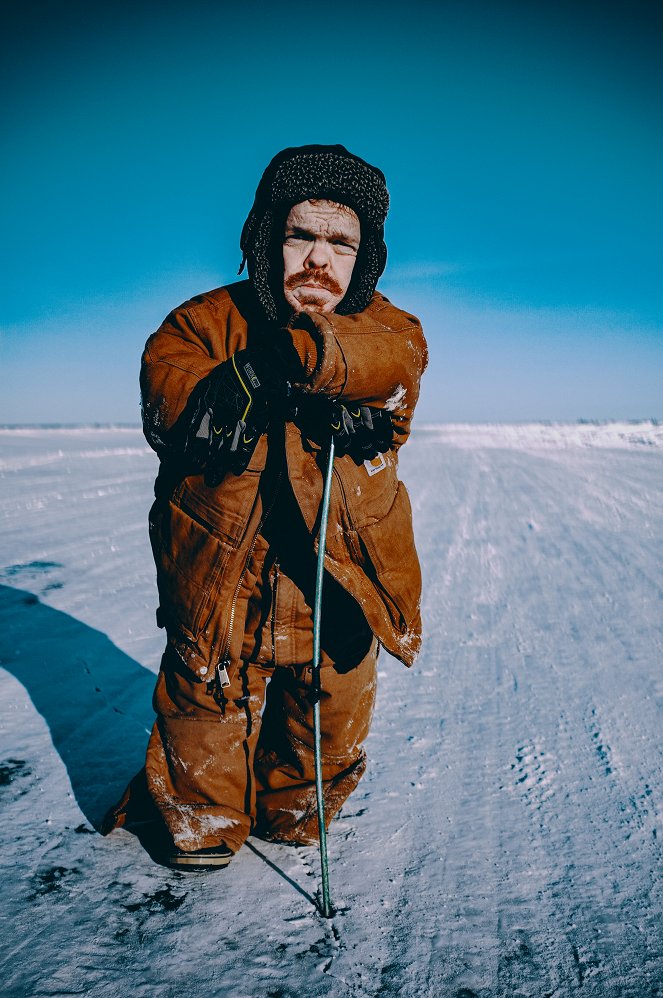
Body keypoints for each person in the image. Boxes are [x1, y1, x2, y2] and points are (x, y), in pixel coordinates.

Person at [104, 144, 428, 870]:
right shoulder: (200, 324)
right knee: (201, 816)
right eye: (300, 235)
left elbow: (387, 367)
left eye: (340, 242)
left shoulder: (387, 328)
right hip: (225, 586)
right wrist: (239, 383)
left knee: (303, 797)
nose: (319, 258)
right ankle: (202, 808)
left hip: (335, 589)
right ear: (265, 239)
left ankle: (285, 800)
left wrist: (297, 362)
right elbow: (172, 410)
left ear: (364, 258)